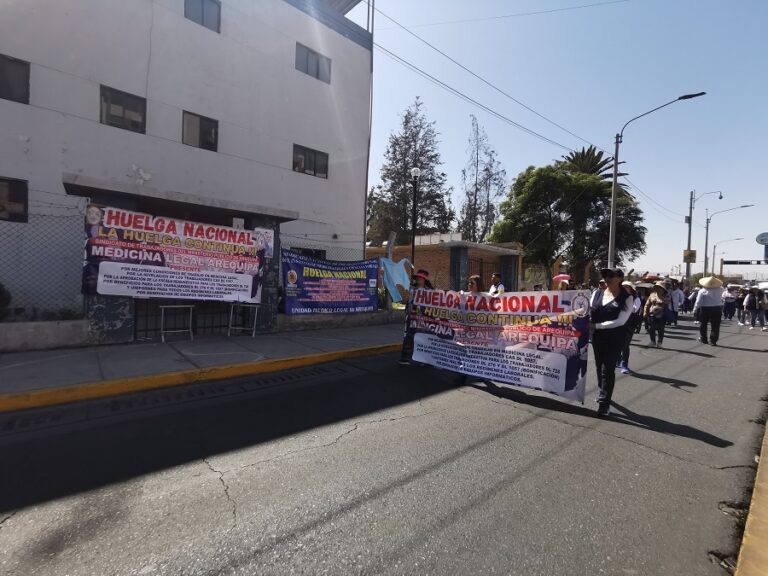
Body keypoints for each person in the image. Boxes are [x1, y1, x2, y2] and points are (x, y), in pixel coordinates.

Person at [590, 267, 632, 416]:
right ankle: (604, 392)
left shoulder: (627, 298)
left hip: (614, 337)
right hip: (597, 337)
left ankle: (604, 403)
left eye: (611, 275)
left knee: (607, 369)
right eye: (605, 275)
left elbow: (620, 321)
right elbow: (588, 311)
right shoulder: (596, 293)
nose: (607, 278)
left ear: (620, 278)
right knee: (598, 365)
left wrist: (596, 325)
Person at [398, 269, 434, 366]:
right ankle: (405, 358)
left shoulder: (430, 291)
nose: (418, 280)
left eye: (420, 278)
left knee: (423, 338)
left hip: (423, 319)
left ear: (424, 280)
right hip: (412, 317)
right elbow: (409, 302)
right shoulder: (412, 289)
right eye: (417, 278)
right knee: (409, 337)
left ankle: (423, 359)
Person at [618, 281, 642, 374]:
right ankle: (618, 360)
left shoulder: (636, 299)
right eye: (623, 287)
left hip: (629, 325)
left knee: (625, 344)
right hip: (619, 324)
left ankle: (624, 364)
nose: (625, 289)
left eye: (627, 287)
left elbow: (634, 309)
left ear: (631, 288)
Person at [693, 276, 725, 345]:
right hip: (717, 308)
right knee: (715, 326)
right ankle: (713, 340)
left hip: (705, 309)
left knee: (703, 324)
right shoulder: (721, 289)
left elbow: (698, 302)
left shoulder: (702, 291)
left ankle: (703, 338)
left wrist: (695, 310)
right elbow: (723, 297)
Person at [643, 282, 670, 348]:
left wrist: (660, 299)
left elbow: (668, 301)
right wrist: (645, 312)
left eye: (660, 288)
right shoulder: (652, 295)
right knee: (651, 328)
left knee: (661, 329)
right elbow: (647, 304)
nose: (658, 289)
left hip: (662, 314)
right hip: (652, 314)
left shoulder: (666, 295)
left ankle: (660, 342)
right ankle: (652, 341)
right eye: (657, 287)